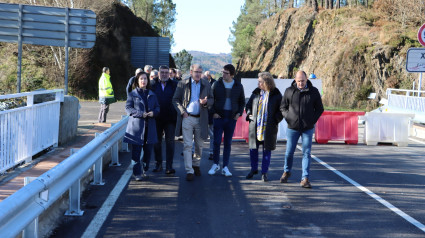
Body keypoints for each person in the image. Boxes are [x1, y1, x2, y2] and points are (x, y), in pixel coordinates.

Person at [279, 70, 324, 188]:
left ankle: (305, 178)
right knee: (289, 152)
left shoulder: (313, 92)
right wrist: (289, 118)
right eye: (298, 81)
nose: (300, 83)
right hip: (292, 127)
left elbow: (320, 109)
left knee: (306, 153)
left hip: (307, 128)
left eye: (303, 81)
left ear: (307, 79)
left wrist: (311, 121)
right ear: (295, 80)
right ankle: (286, 171)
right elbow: (283, 107)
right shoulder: (289, 91)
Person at [172, 64, 213, 181]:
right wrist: (182, 112)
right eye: (196, 71)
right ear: (191, 72)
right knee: (188, 145)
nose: (198, 74)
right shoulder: (182, 83)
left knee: (199, 145)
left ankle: (196, 165)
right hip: (187, 117)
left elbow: (212, 99)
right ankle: (189, 170)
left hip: (201, 118)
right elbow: (175, 100)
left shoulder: (206, 84)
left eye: (200, 71)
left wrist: (206, 102)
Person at [245, 72, 283, 182]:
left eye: (260, 82)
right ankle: (253, 169)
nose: (258, 83)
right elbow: (248, 105)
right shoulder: (256, 93)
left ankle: (264, 172)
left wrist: (276, 120)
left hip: (269, 127)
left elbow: (282, 109)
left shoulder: (276, 94)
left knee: (267, 151)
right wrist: (248, 114)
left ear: (266, 82)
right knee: (253, 149)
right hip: (255, 126)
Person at [208, 64, 245, 177]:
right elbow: (210, 100)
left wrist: (238, 113)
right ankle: (215, 164)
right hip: (219, 116)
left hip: (231, 118)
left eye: (226, 73)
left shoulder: (238, 86)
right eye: (223, 72)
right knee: (216, 141)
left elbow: (242, 101)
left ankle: (225, 166)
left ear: (232, 74)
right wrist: (213, 112)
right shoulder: (216, 84)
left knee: (228, 143)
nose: (223, 74)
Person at [123, 71, 160, 181]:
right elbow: (128, 108)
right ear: (137, 81)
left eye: (145, 79)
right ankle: (137, 173)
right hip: (137, 128)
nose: (143, 81)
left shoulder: (152, 94)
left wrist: (154, 113)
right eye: (141, 79)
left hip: (150, 128)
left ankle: (145, 169)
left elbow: (158, 107)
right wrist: (140, 114)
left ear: (148, 80)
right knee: (136, 152)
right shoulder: (132, 94)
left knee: (148, 152)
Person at [150, 65, 178, 174]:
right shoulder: (152, 84)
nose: (164, 74)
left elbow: (179, 99)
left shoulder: (174, 84)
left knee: (170, 142)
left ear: (169, 73)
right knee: (157, 142)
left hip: (170, 119)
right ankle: (158, 164)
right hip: (156, 118)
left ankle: (169, 166)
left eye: (166, 72)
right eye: (162, 72)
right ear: (159, 73)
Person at [204, 71, 216, 160]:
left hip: (210, 114)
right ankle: (193, 151)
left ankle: (212, 152)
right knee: (197, 134)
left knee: (212, 135)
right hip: (201, 115)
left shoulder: (213, 87)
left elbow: (213, 102)